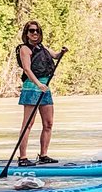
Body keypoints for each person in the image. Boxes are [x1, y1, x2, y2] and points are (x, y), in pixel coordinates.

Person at [16, 21, 67, 166]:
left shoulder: (42, 47)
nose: (35, 34)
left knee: (48, 123)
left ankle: (43, 154)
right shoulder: (25, 49)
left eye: (37, 31)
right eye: (32, 31)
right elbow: (27, 69)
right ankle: (23, 157)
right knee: (28, 124)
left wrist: (62, 52)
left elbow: (55, 55)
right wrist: (38, 84)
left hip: (45, 87)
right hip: (32, 87)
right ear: (26, 33)